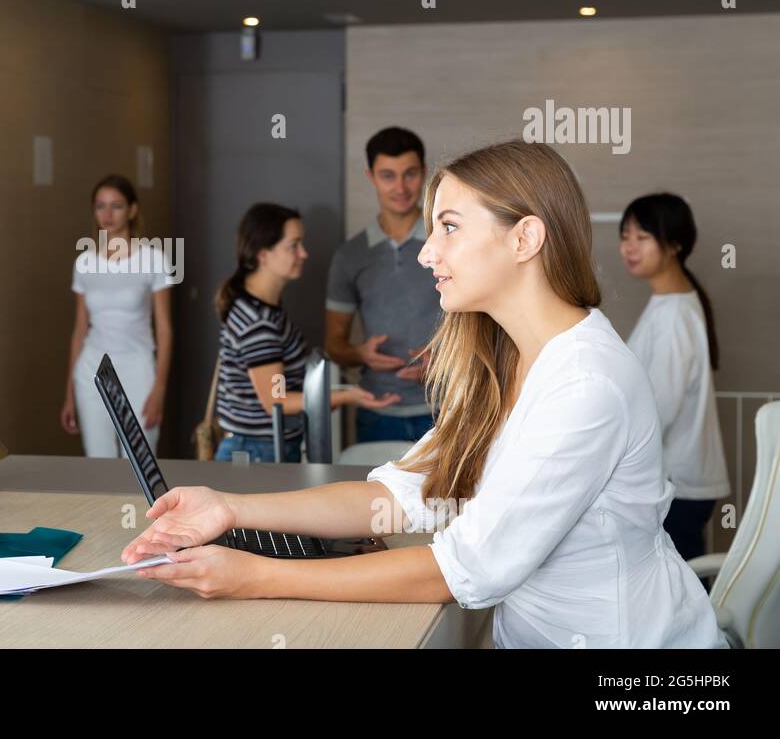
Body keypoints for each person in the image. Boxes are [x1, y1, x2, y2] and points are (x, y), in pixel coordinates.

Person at [124, 142, 726, 649]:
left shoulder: (585, 383)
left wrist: (252, 576)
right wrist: (230, 509)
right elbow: (401, 495)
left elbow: (463, 570)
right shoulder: (503, 361)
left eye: (450, 227)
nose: (426, 251)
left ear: (524, 240)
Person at [213, 203, 399, 464]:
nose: (304, 253)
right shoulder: (258, 321)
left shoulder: (265, 309)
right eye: (294, 245)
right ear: (263, 254)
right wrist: (346, 396)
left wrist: (341, 393)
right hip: (259, 452)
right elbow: (275, 400)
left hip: (264, 448)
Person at [620, 193, 729, 561]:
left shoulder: (674, 314)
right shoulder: (671, 303)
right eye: (625, 236)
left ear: (675, 244)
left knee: (683, 596)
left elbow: (659, 407)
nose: (630, 247)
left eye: (642, 236)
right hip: (679, 480)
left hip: (679, 484)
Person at [325, 126, 442, 443]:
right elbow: (334, 344)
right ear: (371, 176)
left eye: (410, 174)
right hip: (377, 413)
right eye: (388, 175)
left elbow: (485, 322)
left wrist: (444, 362)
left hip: (448, 408)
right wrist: (360, 353)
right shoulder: (350, 256)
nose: (400, 187)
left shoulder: (447, 242)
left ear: (424, 173)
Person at [61, 175, 174, 457]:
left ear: (132, 210)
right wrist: (69, 393)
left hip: (138, 369)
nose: (107, 214)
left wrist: (159, 389)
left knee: (140, 460)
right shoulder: (84, 263)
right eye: (100, 206)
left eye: (116, 206)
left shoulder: (153, 259)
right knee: (99, 461)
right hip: (92, 371)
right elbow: (79, 330)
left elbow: (164, 329)